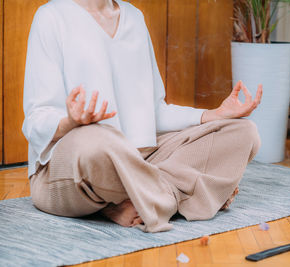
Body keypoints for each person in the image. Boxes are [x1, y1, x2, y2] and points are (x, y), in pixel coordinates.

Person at [22, 0, 263, 233]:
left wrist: (213, 115)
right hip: (80, 162)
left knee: (242, 133)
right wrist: (72, 122)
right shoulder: (51, 17)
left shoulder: (134, 17)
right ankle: (188, 195)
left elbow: (155, 111)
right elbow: (35, 121)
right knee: (97, 141)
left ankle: (129, 201)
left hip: (143, 159)